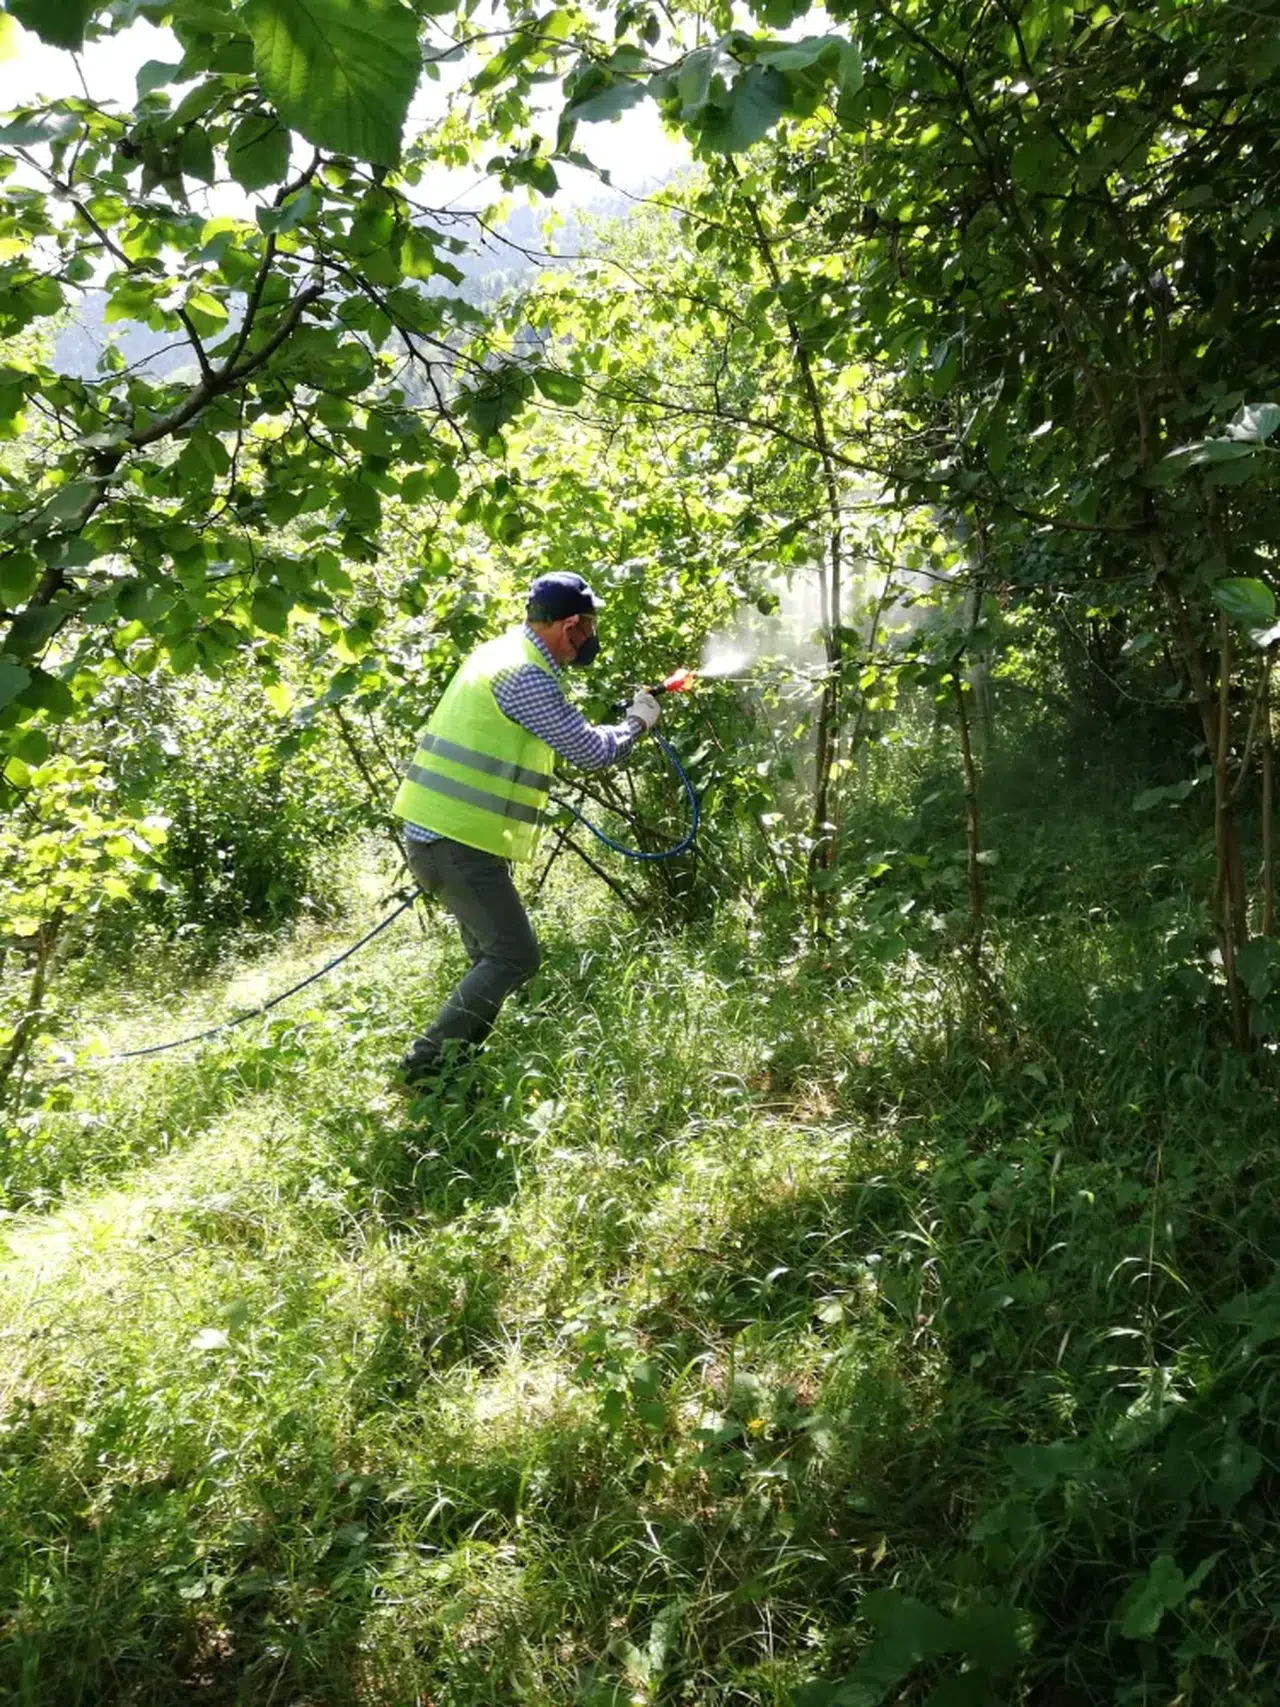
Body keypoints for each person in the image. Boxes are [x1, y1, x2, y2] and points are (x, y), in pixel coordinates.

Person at [391, 572, 661, 1089]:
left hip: (446, 834)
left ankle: (450, 1077)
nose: (590, 640)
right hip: (454, 840)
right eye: (588, 628)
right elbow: (591, 752)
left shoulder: (502, 653)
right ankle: (422, 1068)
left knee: (490, 958)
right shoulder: (524, 674)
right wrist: (637, 723)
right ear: (569, 625)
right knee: (513, 956)